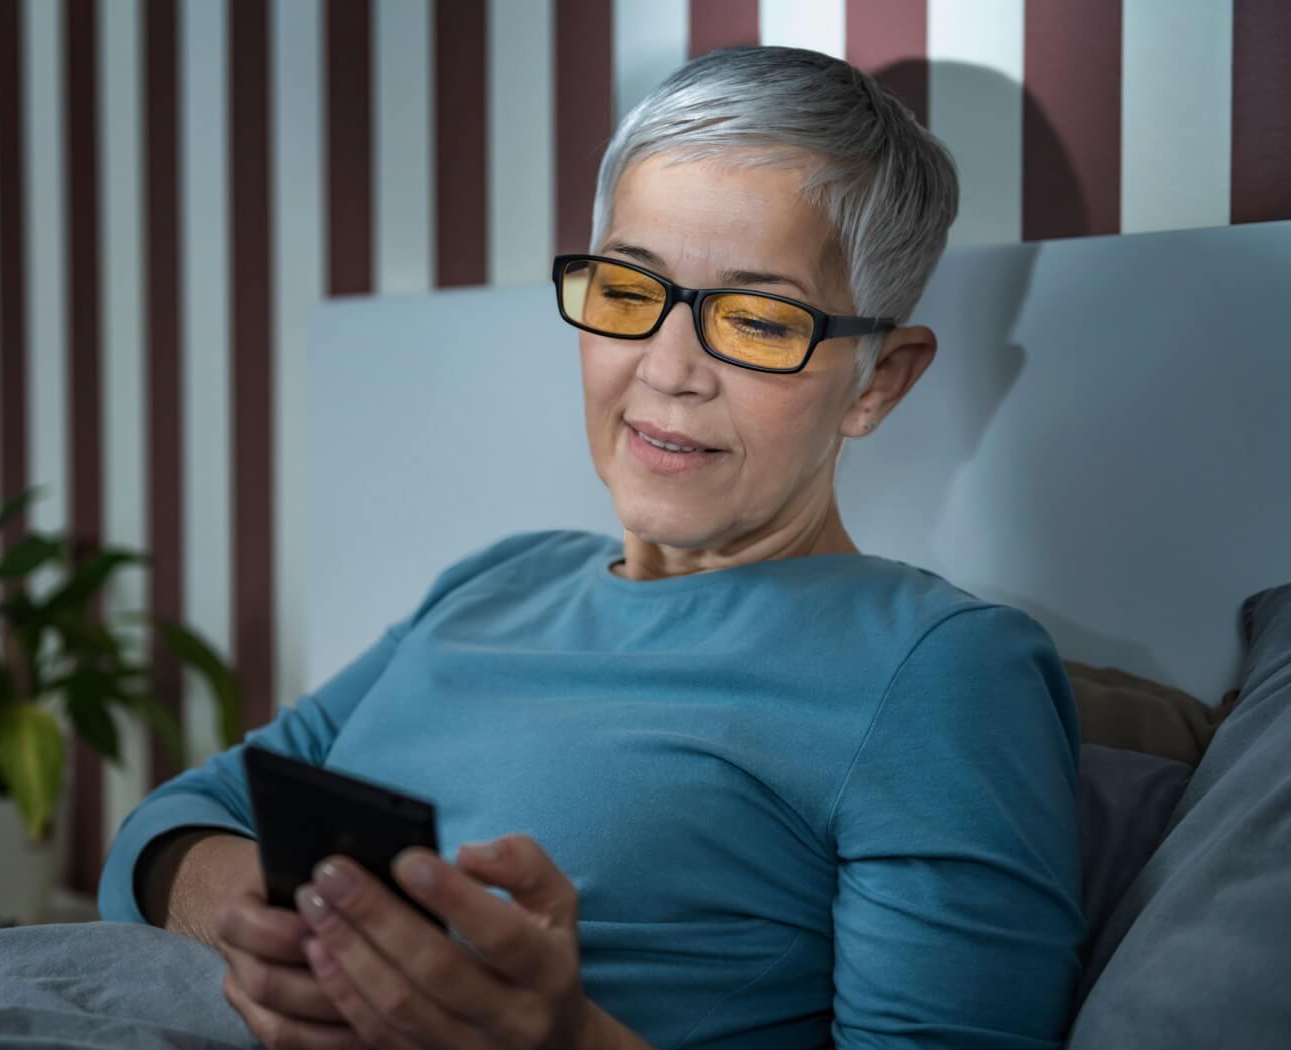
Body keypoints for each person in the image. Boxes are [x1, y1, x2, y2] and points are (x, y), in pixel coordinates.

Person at [101, 46, 1084, 1050]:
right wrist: (276, 929)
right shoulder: (497, 581)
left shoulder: (941, 672)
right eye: (626, 290)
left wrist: (564, 1038)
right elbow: (167, 827)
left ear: (878, 382)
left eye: (755, 320)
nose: (667, 370)